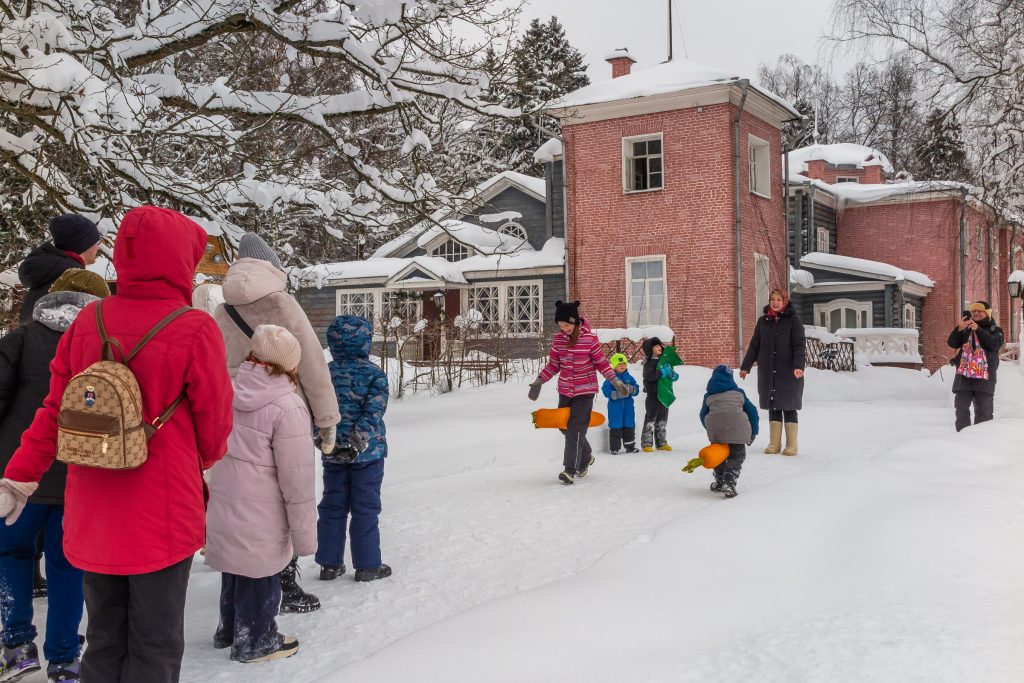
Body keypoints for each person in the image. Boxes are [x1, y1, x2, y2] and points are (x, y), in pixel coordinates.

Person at [0, 206, 234, 683]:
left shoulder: (89, 321)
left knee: (104, 638)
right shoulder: (194, 327)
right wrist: (198, 461)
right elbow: (214, 425)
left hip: (92, 504)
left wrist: (20, 475)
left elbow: (54, 410)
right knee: (156, 641)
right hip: (163, 509)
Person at [214, 232, 339, 613]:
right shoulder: (282, 303)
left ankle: (237, 591)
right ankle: (283, 584)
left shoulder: (222, 309)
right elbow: (312, 361)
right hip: (281, 407)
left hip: (231, 411)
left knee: (240, 499)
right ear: (272, 265)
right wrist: (327, 418)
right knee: (286, 494)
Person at [0, 269, 109, 682]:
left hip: (17, 474)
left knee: (11, 555)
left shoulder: (20, 339)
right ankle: (64, 657)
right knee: (68, 567)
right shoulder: (102, 346)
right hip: (76, 476)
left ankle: (16, 645)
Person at [206, 325, 316, 663]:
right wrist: (305, 536)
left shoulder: (228, 389)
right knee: (260, 570)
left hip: (224, 497)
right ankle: (256, 641)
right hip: (263, 509)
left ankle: (229, 630)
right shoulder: (288, 406)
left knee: (235, 565)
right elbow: (297, 481)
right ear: (290, 364)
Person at [316, 316, 392, 583]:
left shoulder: (324, 373)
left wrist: (322, 437)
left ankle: (329, 563)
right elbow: (374, 410)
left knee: (332, 506)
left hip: (333, 452)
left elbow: (315, 408)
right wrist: (358, 439)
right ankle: (368, 565)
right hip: (368, 455)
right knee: (365, 507)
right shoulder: (374, 374)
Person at [528, 301, 627, 485]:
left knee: (575, 429)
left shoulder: (590, 339)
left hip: (585, 391)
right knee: (565, 427)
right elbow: (554, 365)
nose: (563, 328)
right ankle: (586, 456)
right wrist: (539, 381)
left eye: (566, 325)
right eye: (560, 325)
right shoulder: (558, 340)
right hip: (565, 390)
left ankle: (570, 469)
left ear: (575, 322)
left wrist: (614, 380)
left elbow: (601, 364)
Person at [740, 289, 806, 456]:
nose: (775, 302)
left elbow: (799, 345)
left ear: (785, 302)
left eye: (779, 299)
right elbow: (755, 345)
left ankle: (792, 445)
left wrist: (799, 366)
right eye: (772, 299)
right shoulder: (763, 321)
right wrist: (745, 366)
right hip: (769, 372)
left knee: (789, 406)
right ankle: (774, 443)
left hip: (789, 372)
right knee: (773, 406)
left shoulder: (794, 320)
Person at [18, 214, 102, 324]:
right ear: (83, 245)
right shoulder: (72, 280)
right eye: (96, 242)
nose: (98, 247)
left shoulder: (51, 273)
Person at [699, 365, 759, 498]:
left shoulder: (708, 395)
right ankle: (729, 482)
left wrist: (711, 428)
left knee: (720, 454)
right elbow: (752, 411)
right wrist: (753, 432)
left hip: (716, 431)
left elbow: (702, 414)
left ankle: (720, 481)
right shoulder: (739, 393)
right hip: (738, 429)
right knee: (737, 456)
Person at [947, 301, 1004, 432]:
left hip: (985, 378)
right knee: (961, 410)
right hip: (964, 377)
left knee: (984, 413)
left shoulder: (996, 330)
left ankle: (981, 441)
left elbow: (995, 344)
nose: (976, 313)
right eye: (974, 311)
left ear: (988, 313)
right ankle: (963, 438)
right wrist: (959, 329)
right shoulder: (966, 329)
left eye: (980, 311)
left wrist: (978, 330)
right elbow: (952, 343)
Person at [640, 337, 676, 452]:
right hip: (653, 394)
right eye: (656, 346)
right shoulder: (649, 362)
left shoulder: (665, 361)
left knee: (662, 419)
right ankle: (647, 443)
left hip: (664, 393)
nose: (659, 347)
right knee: (651, 418)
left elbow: (670, 376)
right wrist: (662, 372)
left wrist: (672, 375)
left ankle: (661, 443)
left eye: (659, 345)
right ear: (650, 349)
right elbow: (649, 376)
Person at [601, 353, 639, 454]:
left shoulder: (629, 378)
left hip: (628, 407)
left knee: (629, 425)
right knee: (615, 425)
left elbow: (637, 389)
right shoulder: (611, 379)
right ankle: (615, 448)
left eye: (624, 363)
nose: (622, 366)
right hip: (615, 407)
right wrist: (615, 394)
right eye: (619, 364)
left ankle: (630, 446)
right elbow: (605, 390)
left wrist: (632, 389)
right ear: (614, 366)